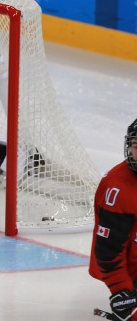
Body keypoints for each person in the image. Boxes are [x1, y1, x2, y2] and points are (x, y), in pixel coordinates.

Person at [90, 118, 137, 321]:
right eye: (136, 145)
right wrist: (121, 291)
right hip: (130, 268)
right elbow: (108, 252)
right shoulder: (119, 189)